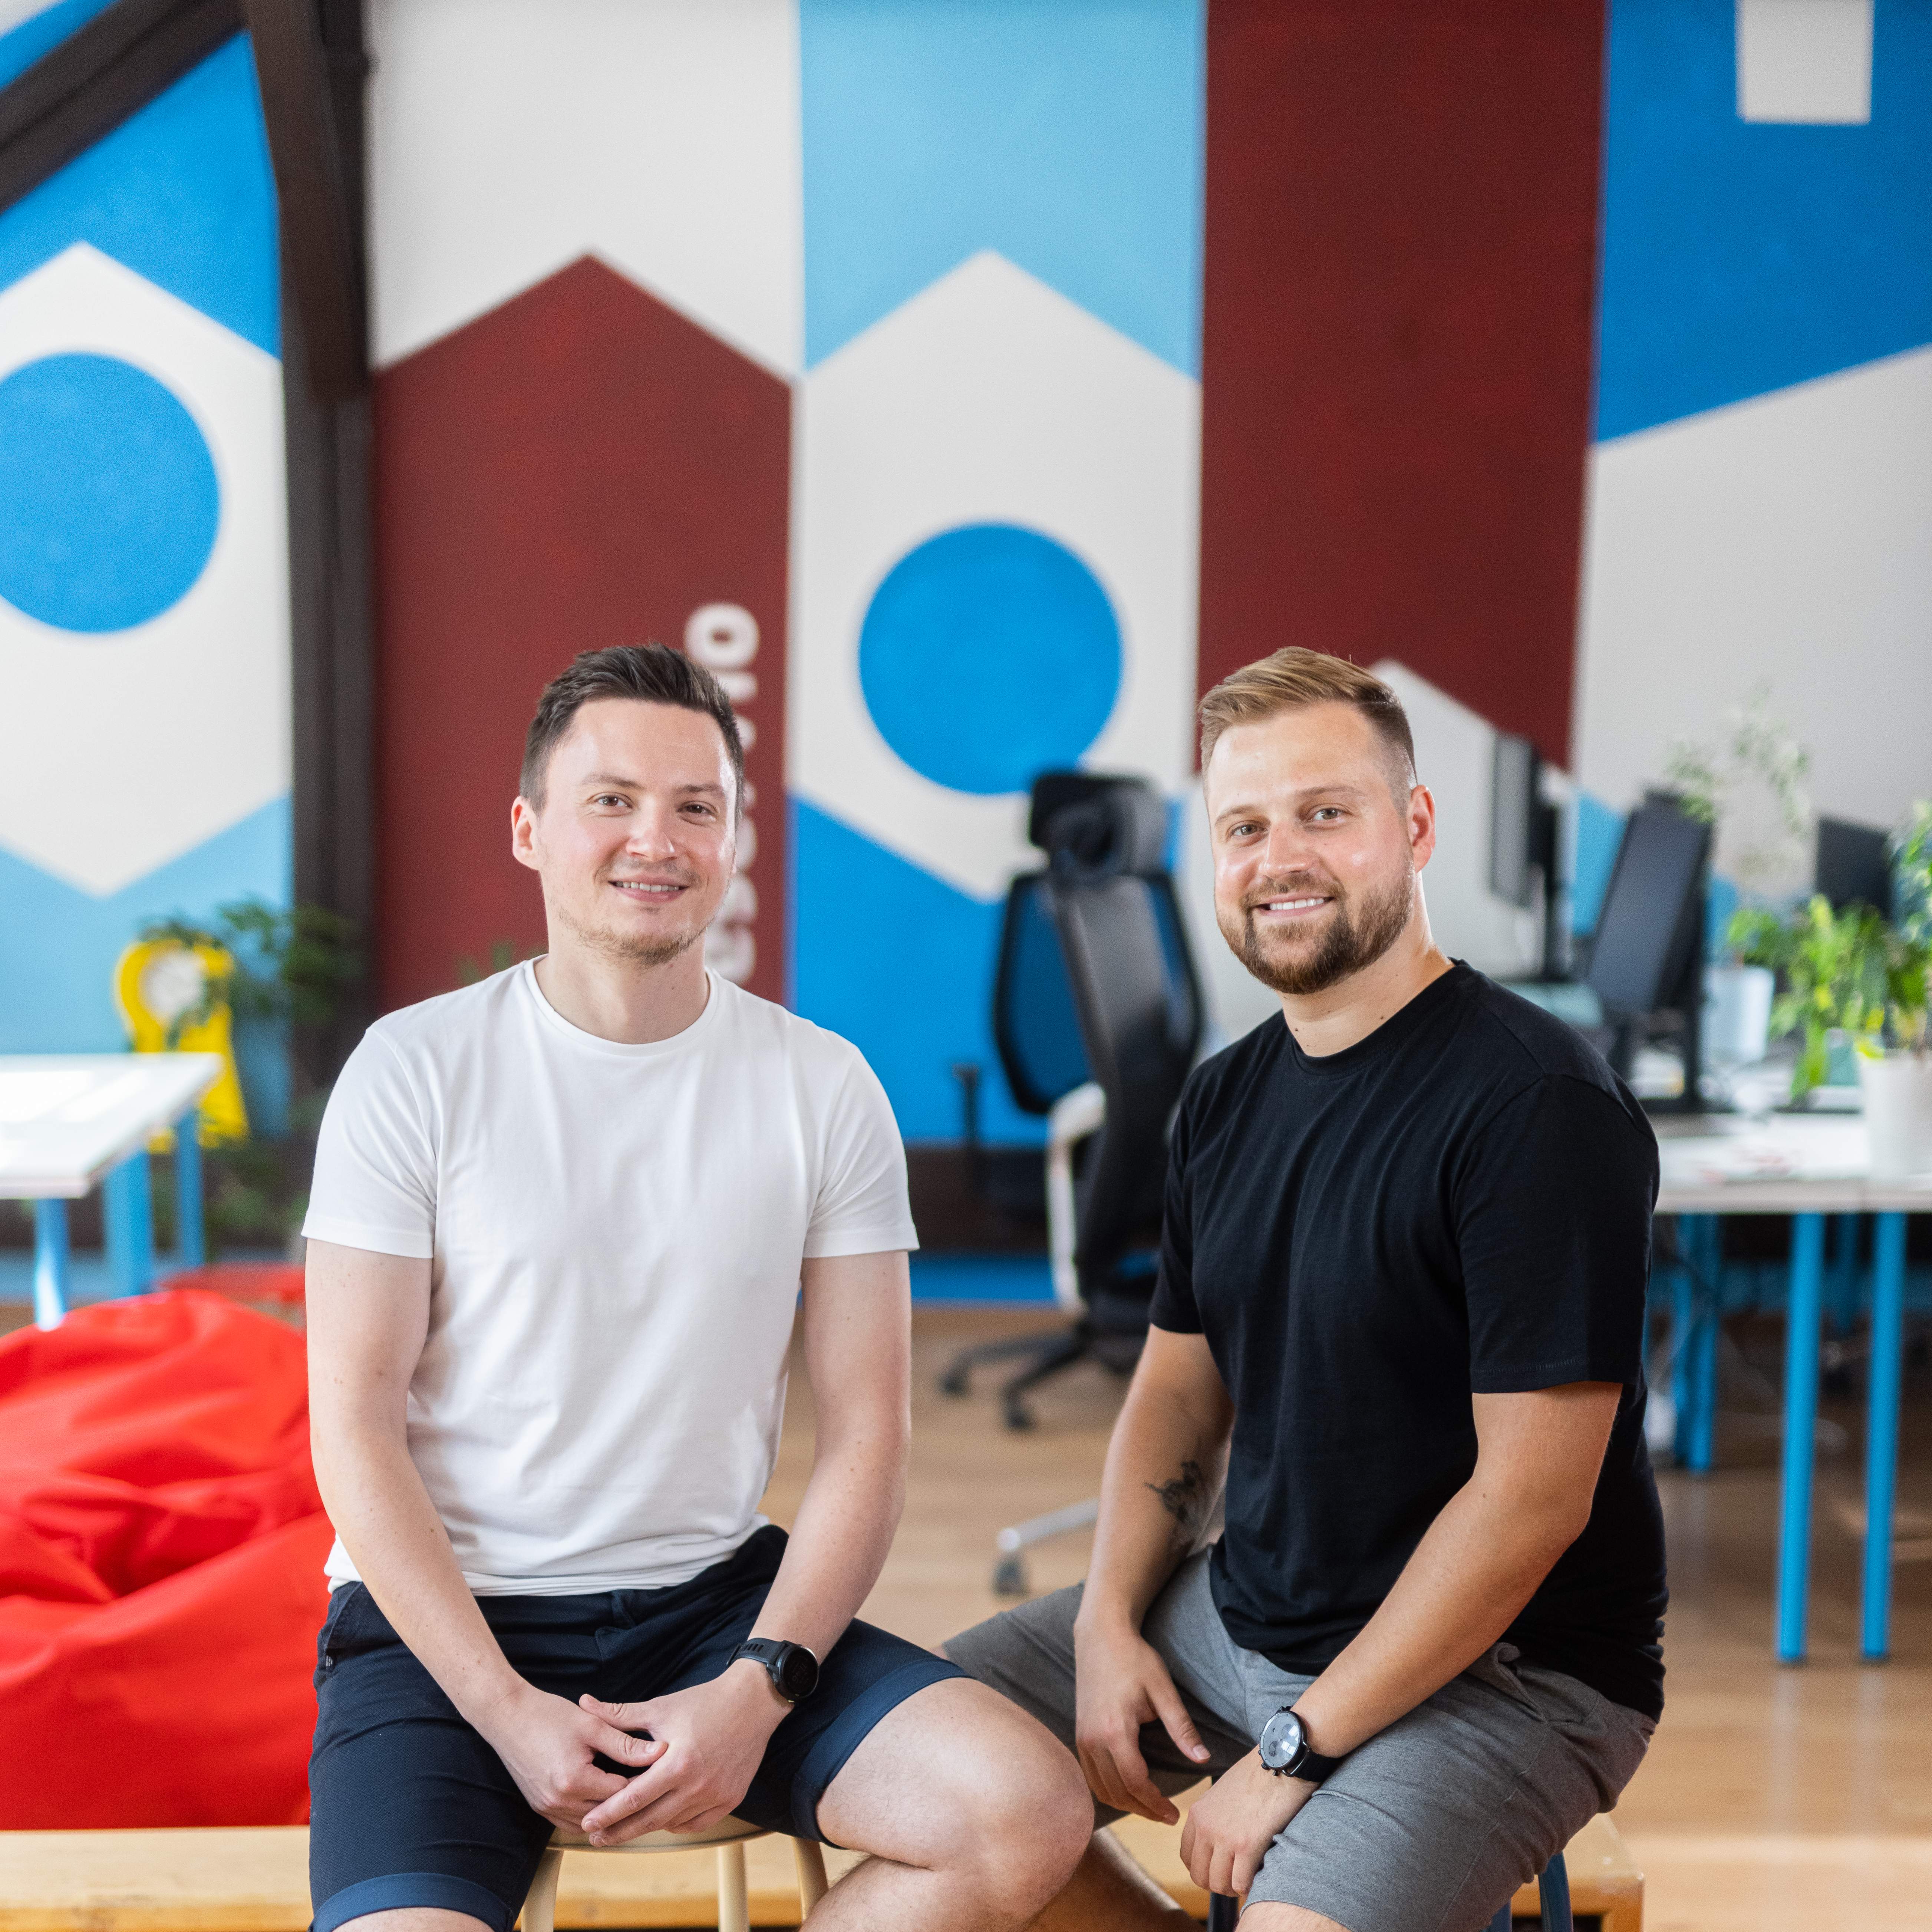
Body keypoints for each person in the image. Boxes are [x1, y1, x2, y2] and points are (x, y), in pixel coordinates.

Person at [302, 644, 1090, 1932]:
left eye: (695, 805)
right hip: (442, 1629)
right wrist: (504, 1708)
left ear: (733, 838)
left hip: (710, 1607)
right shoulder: (414, 1071)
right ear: (529, 828)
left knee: (1021, 1809)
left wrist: (759, 1688)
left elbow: (868, 1434)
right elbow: (352, 1424)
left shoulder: (821, 1084)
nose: (652, 839)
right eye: (609, 799)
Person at [949, 649, 1666, 1932]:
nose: (1280, 855)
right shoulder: (1224, 1097)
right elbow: (1176, 1391)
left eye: (1323, 813)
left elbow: (1528, 1503)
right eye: (1244, 826)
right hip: (1246, 1613)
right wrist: (1110, 1621)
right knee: (914, 1774)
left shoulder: (1534, 1107)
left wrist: (1292, 1748)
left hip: (1505, 1670)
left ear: (1414, 824)